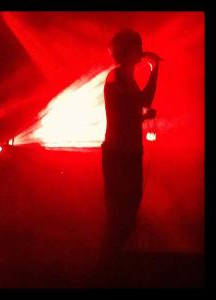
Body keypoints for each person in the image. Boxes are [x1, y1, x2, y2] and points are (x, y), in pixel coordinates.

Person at [101, 29, 160, 253]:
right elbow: (143, 101)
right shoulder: (116, 77)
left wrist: (142, 116)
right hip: (119, 153)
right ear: (127, 51)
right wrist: (155, 69)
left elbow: (128, 110)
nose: (142, 50)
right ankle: (107, 265)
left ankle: (112, 262)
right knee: (120, 213)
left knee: (128, 210)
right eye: (138, 46)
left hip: (127, 152)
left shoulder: (125, 78)